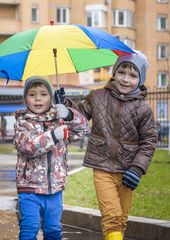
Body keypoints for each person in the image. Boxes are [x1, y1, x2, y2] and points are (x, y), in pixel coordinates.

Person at [65, 50, 158, 240]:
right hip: (102, 166)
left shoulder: (143, 109)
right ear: (114, 73)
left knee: (122, 217)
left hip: (128, 171)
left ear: (140, 79)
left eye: (133, 75)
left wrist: (137, 169)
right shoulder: (97, 96)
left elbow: (149, 142)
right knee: (111, 215)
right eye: (121, 72)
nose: (125, 79)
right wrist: (65, 106)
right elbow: (80, 116)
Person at [14, 76, 90, 239]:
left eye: (43, 94)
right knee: (29, 228)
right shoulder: (22, 123)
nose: (38, 98)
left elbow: (82, 130)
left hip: (55, 188)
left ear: (51, 97)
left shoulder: (59, 120)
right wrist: (54, 135)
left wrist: (68, 114)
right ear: (25, 99)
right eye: (32, 94)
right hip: (29, 189)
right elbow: (29, 147)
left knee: (53, 230)